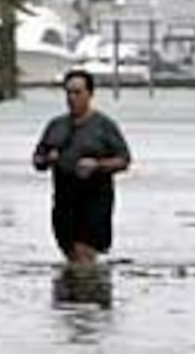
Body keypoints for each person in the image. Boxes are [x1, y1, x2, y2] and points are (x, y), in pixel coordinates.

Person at [33, 69, 132, 265]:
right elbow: (37, 159)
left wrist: (98, 165)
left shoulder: (104, 126)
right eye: (68, 93)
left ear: (90, 94)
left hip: (95, 199)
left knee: (84, 253)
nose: (72, 98)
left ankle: (90, 292)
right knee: (72, 256)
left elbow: (124, 160)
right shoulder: (56, 125)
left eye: (77, 92)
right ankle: (72, 293)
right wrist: (46, 160)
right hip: (64, 201)